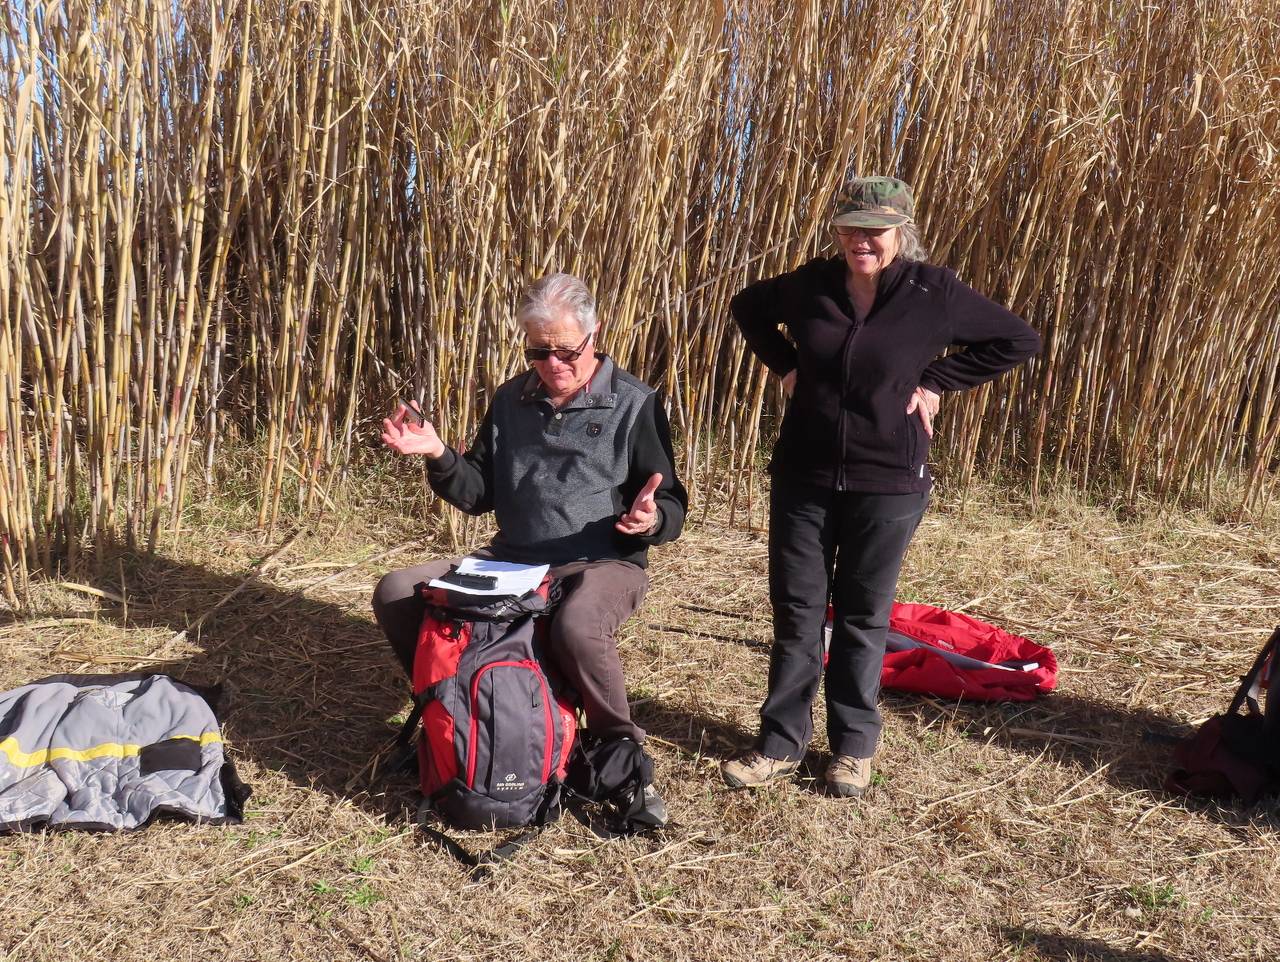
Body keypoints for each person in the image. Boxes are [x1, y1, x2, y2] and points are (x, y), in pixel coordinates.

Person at [720, 176, 1040, 798]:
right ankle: (780, 743)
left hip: (889, 481)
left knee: (864, 616)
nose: (860, 240)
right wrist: (786, 367)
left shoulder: (933, 291)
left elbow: (1017, 340)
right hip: (804, 475)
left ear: (901, 232)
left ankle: (852, 749)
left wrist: (939, 381)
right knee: (797, 612)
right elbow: (747, 308)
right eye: (850, 227)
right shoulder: (810, 284)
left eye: (875, 229)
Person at [374, 272, 687, 825]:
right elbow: (478, 493)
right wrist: (439, 452)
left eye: (566, 351)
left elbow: (673, 504)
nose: (553, 365)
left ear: (594, 336)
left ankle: (620, 751)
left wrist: (650, 519)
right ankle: (453, 711)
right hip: (513, 558)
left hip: (602, 561)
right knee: (398, 590)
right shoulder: (511, 399)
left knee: (575, 625)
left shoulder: (635, 404)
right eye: (539, 352)